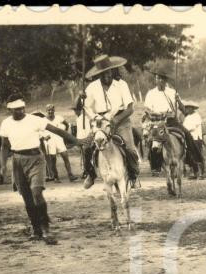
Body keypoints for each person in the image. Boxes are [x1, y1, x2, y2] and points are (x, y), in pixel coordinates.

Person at [0, 97, 80, 244]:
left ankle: (46, 229)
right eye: (17, 109)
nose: (21, 111)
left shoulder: (34, 120)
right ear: (10, 110)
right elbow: (4, 146)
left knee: (37, 192)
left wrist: (77, 141)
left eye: (23, 108)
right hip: (17, 161)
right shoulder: (6, 124)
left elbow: (56, 130)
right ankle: (35, 229)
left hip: (36, 158)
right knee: (27, 197)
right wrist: (3, 165)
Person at [82, 54, 139, 189]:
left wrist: (116, 119)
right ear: (98, 74)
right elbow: (86, 108)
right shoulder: (91, 88)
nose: (106, 75)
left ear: (113, 70)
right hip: (100, 122)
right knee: (87, 146)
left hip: (121, 121)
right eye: (102, 73)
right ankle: (90, 174)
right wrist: (94, 118)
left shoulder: (121, 85)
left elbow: (130, 109)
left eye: (108, 72)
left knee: (130, 149)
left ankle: (133, 175)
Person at [144, 71, 204, 178]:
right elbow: (147, 110)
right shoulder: (151, 93)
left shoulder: (172, 92)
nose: (159, 81)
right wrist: (155, 114)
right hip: (157, 121)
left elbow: (183, 110)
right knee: (152, 140)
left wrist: (178, 101)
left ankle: (195, 163)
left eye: (162, 79)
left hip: (171, 121)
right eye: (157, 78)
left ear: (165, 81)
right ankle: (155, 166)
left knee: (187, 135)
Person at [44, 104, 76, 182]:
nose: (50, 111)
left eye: (52, 110)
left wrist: (64, 132)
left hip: (59, 139)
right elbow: (39, 130)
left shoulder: (59, 118)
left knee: (65, 156)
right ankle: (56, 177)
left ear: (54, 110)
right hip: (50, 141)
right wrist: (44, 136)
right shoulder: (43, 120)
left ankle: (70, 175)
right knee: (53, 159)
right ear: (46, 111)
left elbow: (66, 124)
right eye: (49, 110)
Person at [182, 101, 206, 178]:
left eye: (188, 108)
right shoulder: (187, 118)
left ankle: (203, 172)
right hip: (189, 139)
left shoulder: (197, 116)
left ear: (192, 109)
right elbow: (184, 127)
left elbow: (193, 127)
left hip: (196, 138)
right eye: (186, 108)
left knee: (198, 154)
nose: (187, 110)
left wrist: (185, 130)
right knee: (191, 155)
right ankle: (195, 172)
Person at [72, 101, 92, 176]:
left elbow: (87, 130)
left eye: (76, 110)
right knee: (83, 156)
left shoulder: (85, 118)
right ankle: (85, 170)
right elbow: (79, 131)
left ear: (80, 110)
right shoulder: (78, 119)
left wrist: (86, 140)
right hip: (80, 139)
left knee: (86, 156)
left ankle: (87, 171)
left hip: (85, 139)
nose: (75, 112)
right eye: (75, 110)